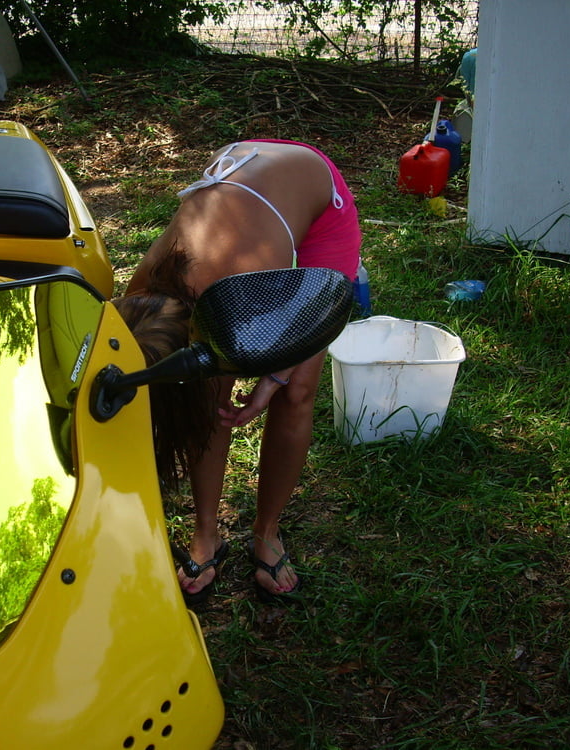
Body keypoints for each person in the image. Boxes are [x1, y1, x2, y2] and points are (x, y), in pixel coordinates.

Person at [113, 139, 361, 605]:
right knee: (209, 392)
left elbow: (312, 321)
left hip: (315, 197)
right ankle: (206, 534)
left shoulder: (240, 292)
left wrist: (276, 375)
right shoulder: (138, 295)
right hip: (247, 184)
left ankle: (266, 533)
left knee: (298, 391)